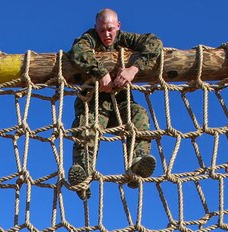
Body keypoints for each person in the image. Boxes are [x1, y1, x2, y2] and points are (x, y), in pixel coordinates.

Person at [66, 9, 162, 193]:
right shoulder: (89, 39)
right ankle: (82, 174)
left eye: (110, 29)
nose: (106, 34)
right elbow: (78, 50)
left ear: (118, 26)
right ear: (96, 28)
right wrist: (100, 72)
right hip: (95, 104)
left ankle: (137, 163)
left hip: (121, 103)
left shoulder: (124, 39)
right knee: (87, 125)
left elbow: (154, 42)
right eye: (102, 30)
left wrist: (133, 69)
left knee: (139, 114)